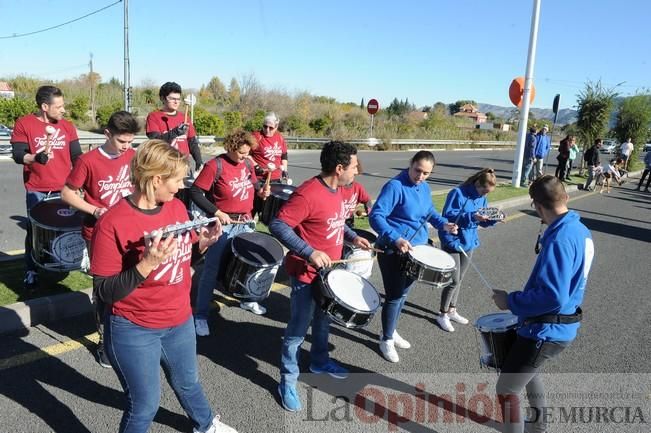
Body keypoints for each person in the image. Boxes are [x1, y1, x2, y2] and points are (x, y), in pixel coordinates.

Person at [91, 140, 237, 433]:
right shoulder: (112, 223)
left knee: (188, 382)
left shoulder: (176, 207)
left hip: (179, 320)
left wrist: (203, 245)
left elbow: (182, 259)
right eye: (177, 180)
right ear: (156, 179)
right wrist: (146, 264)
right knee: (144, 405)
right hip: (134, 327)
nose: (181, 186)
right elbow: (104, 291)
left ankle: (205, 425)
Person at [269, 141, 372, 412]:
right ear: (339, 168)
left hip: (331, 274)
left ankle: (319, 361)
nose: (356, 172)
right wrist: (309, 251)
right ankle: (287, 380)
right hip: (306, 275)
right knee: (297, 330)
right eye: (353, 167)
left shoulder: (338, 190)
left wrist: (353, 236)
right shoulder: (308, 193)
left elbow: (335, 223)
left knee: (323, 321)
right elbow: (278, 224)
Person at [492, 175, 593, 433]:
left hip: (546, 330)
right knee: (530, 371)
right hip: (560, 325)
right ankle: (538, 427)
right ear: (566, 197)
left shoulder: (559, 239)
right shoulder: (579, 229)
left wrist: (510, 301)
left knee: (507, 389)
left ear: (537, 205)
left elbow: (552, 296)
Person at [61, 110, 139, 368]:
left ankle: (128, 335)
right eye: (121, 142)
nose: (126, 148)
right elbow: (67, 194)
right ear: (107, 134)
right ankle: (105, 343)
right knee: (104, 290)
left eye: (130, 142)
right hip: (98, 233)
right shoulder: (88, 160)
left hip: (130, 232)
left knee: (131, 284)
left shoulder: (133, 156)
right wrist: (95, 210)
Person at [369, 151, 458, 363]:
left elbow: (429, 213)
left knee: (404, 294)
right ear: (410, 164)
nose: (421, 176)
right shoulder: (395, 186)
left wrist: (443, 224)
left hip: (416, 251)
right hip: (393, 249)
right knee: (394, 295)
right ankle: (387, 339)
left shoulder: (424, 187)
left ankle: (390, 329)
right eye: (418, 170)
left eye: (426, 173)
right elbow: (376, 216)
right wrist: (395, 238)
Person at [190, 129, 271, 336]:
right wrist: (217, 211)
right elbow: (196, 192)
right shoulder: (214, 165)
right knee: (211, 269)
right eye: (242, 153)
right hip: (223, 224)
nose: (246, 157)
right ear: (231, 148)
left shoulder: (246, 164)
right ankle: (200, 315)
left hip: (245, 222)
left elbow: (253, 184)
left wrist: (261, 190)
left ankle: (248, 299)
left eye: (248, 153)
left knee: (249, 266)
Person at [10, 85, 81, 292]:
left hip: (65, 189)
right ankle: (31, 270)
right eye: (58, 106)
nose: (63, 110)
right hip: (37, 190)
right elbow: (17, 154)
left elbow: (77, 157)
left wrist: (79, 182)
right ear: (44, 106)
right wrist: (36, 158)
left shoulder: (67, 126)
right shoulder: (25, 123)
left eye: (63, 105)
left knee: (68, 229)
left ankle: (65, 263)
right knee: (34, 232)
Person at [436, 168, 499, 332]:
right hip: (452, 241)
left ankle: (452, 310)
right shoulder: (457, 193)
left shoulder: (482, 198)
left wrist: (493, 220)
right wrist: (472, 216)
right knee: (453, 280)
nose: (484, 195)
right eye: (484, 191)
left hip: (469, 242)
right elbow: (448, 215)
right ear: (477, 184)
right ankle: (442, 314)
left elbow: (482, 221)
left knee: (460, 279)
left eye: (488, 193)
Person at [146, 81, 203, 171]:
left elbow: (192, 142)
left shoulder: (185, 118)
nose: (176, 102)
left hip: (183, 166)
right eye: (172, 99)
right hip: (163, 166)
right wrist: (175, 132)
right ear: (163, 98)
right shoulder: (153, 117)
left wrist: (199, 161)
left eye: (178, 99)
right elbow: (155, 141)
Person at [250, 112, 288, 182]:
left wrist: (285, 170)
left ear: (276, 127)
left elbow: (284, 155)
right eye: (265, 126)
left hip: (276, 178)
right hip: (259, 179)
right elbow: (245, 154)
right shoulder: (256, 136)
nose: (267, 130)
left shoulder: (280, 137)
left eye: (271, 128)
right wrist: (256, 166)